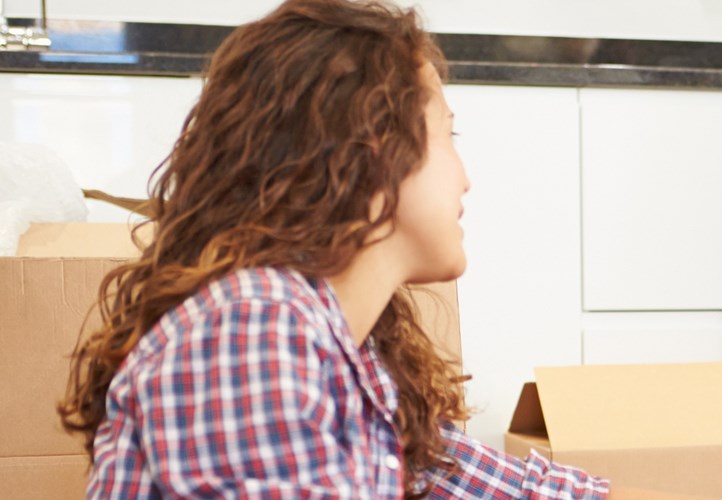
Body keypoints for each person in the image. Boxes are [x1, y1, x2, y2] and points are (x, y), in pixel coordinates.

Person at [56, 0, 609, 497]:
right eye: (448, 135)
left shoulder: (353, 362)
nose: (467, 179)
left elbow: (521, 491)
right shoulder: (254, 332)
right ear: (372, 152)